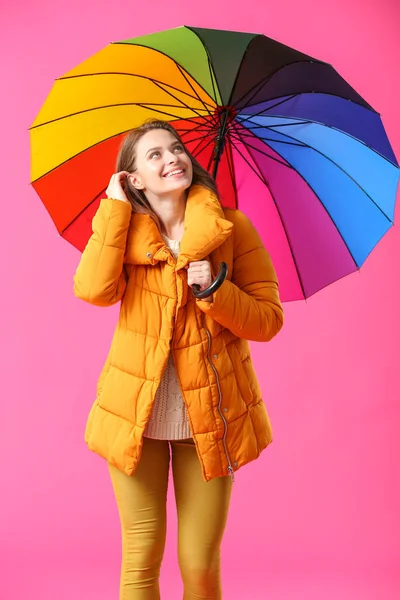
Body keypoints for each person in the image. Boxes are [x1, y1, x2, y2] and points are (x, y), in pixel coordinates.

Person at [73, 119, 284, 600]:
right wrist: (113, 208)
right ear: (134, 178)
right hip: (135, 418)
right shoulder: (123, 233)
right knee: (141, 558)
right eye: (154, 155)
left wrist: (215, 289)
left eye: (176, 148)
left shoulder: (232, 228)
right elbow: (92, 290)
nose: (173, 158)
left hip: (212, 419)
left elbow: (268, 321)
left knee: (199, 565)